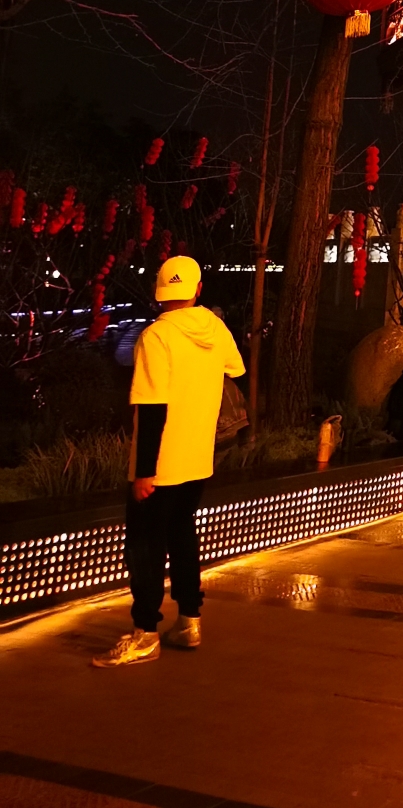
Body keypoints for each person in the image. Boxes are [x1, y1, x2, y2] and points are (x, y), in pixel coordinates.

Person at [93, 255, 245, 668]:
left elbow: (152, 406)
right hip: (198, 458)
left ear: (159, 293)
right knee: (182, 538)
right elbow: (236, 366)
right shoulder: (214, 327)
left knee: (145, 548)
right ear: (196, 290)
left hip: (160, 465)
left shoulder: (157, 337)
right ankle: (189, 621)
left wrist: (144, 472)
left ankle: (144, 633)